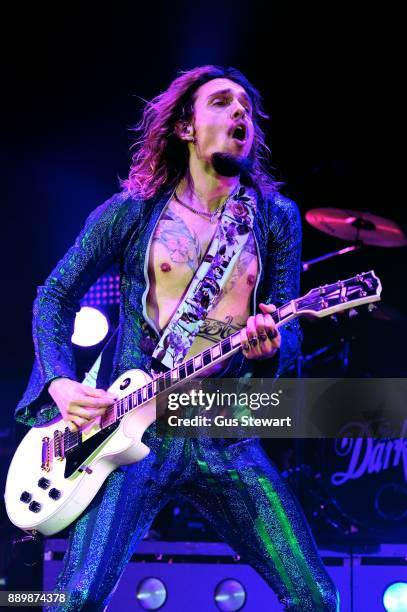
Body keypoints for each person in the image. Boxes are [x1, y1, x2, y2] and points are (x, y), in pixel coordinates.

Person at [15, 65, 339, 611]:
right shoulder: (130, 211)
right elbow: (53, 295)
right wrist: (61, 385)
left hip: (223, 428)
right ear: (185, 126)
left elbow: (289, 330)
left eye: (247, 108)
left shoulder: (276, 218)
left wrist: (273, 350)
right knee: (68, 599)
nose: (241, 112)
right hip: (135, 432)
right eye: (221, 102)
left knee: (317, 597)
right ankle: (10, 598)